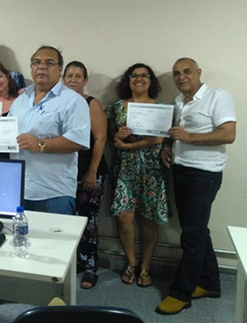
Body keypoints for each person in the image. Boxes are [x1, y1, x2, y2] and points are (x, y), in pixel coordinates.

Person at [156, 57, 237, 315]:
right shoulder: (179, 102)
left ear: (199, 72)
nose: (181, 77)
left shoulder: (218, 96)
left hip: (205, 174)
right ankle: (210, 283)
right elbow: (176, 135)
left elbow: (228, 134)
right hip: (181, 170)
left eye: (187, 71)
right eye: (176, 73)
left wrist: (189, 137)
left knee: (191, 234)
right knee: (197, 230)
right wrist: (168, 147)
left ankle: (182, 292)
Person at [7, 46, 90, 215]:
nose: (42, 67)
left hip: (53, 192)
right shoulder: (20, 101)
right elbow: (8, 136)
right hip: (18, 189)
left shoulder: (73, 100)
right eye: (37, 62)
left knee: (56, 242)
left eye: (49, 63)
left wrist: (41, 144)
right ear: (31, 68)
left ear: (60, 70)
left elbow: (77, 140)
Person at [105, 63, 167, 289]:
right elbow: (111, 139)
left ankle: (146, 266)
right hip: (125, 170)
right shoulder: (117, 107)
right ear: (127, 80)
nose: (139, 79)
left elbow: (159, 140)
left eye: (144, 76)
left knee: (149, 220)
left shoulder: (160, 107)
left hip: (151, 170)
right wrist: (118, 135)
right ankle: (131, 262)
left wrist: (127, 145)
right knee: (124, 217)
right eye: (134, 76)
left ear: (151, 81)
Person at [62, 61, 108, 289]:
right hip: (64, 172)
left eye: (78, 76)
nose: (72, 79)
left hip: (89, 170)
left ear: (85, 80)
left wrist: (92, 171)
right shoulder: (59, 102)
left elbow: (100, 139)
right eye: (69, 75)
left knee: (87, 222)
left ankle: (90, 267)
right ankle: (73, 263)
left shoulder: (91, 104)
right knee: (66, 221)